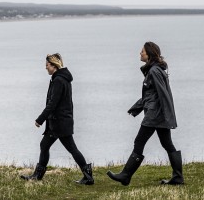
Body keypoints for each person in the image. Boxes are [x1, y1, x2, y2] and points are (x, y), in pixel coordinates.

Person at [107, 41, 184, 186]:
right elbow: (151, 95)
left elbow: (163, 95)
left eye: (142, 51)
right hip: (158, 114)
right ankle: (178, 177)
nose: (140, 53)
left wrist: (167, 116)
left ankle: (125, 175)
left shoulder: (154, 71)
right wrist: (137, 107)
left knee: (139, 142)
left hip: (155, 115)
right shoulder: (154, 70)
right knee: (167, 143)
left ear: (149, 54)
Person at [20, 53, 94, 185]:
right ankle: (37, 176)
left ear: (54, 66)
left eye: (47, 65)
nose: (45, 68)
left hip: (60, 123)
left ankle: (88, 176)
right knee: (45, 145)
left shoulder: (59, 81)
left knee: (71, 148)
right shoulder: (61, 78)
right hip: (59, 121)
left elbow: (52, 104)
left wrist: (40, 119)